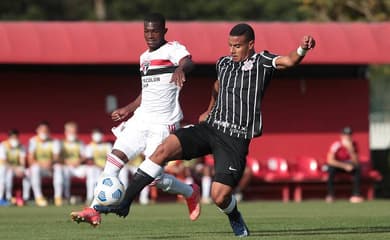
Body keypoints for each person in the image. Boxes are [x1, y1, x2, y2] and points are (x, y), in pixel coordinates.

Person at [95, 23, 316, 237]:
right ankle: (125, 203)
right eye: (230, 45)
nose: (232, 50)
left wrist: (302, 49)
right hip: (210, 128)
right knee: (163, 149)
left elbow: (289, 61)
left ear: (251, 44)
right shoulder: (224, 63)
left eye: (237, 46)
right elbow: (218, 86)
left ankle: (234, 215)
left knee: (219, 196)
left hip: (235, 138)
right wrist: (209, 110)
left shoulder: (262, 61)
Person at [70, 13, 200, 226]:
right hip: (140, 120)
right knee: (113, 162)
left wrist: (180, 68)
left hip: (163, 124)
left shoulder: (173, 49)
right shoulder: (144, 58)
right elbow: (146, 92)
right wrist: (128, 109)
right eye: (146, 31)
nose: (150, 35)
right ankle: (94, 210)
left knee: (154, 179)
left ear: (164, 31)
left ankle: (189, 191)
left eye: (155, 31)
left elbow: (189, 62)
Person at [27, 121, 63, 207]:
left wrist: (51, 162)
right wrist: (41, 164)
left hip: (50, 168)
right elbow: (30, 159)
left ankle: (58, 197)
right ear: (37, 130)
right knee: (35, 168)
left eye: (46, 130)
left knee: (58, 167)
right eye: (42, 130)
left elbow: (56, 157)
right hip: (39, 168)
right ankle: (38, 197)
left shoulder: (55, 141)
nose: (44, 132)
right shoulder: (33, 141)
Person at [325, 126, 364, 203]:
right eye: (345, 135)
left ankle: (356, 195)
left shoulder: (354, 145)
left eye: (349, 135)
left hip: (349, 165)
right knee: (330, 169)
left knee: (357, 168)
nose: (347, 137)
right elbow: (330, 160)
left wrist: (350, 149)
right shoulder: (336, 145)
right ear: (341, 136)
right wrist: (344, 166)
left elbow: (356, 162)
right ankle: (330, 195)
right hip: (338, 165)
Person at [0, 129, 26, 206]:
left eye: (16, 137)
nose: (15, 139)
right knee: (4, 172)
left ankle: (25, 197)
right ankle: (2, 198)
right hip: (4, 168)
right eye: (13, 137)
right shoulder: (2, 146)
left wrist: (21, 170)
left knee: (27, 173)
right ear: (9, 138)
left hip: (15, 169)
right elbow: (3, 161)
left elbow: (22, 162)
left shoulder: (21, 147)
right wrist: (15, 169)